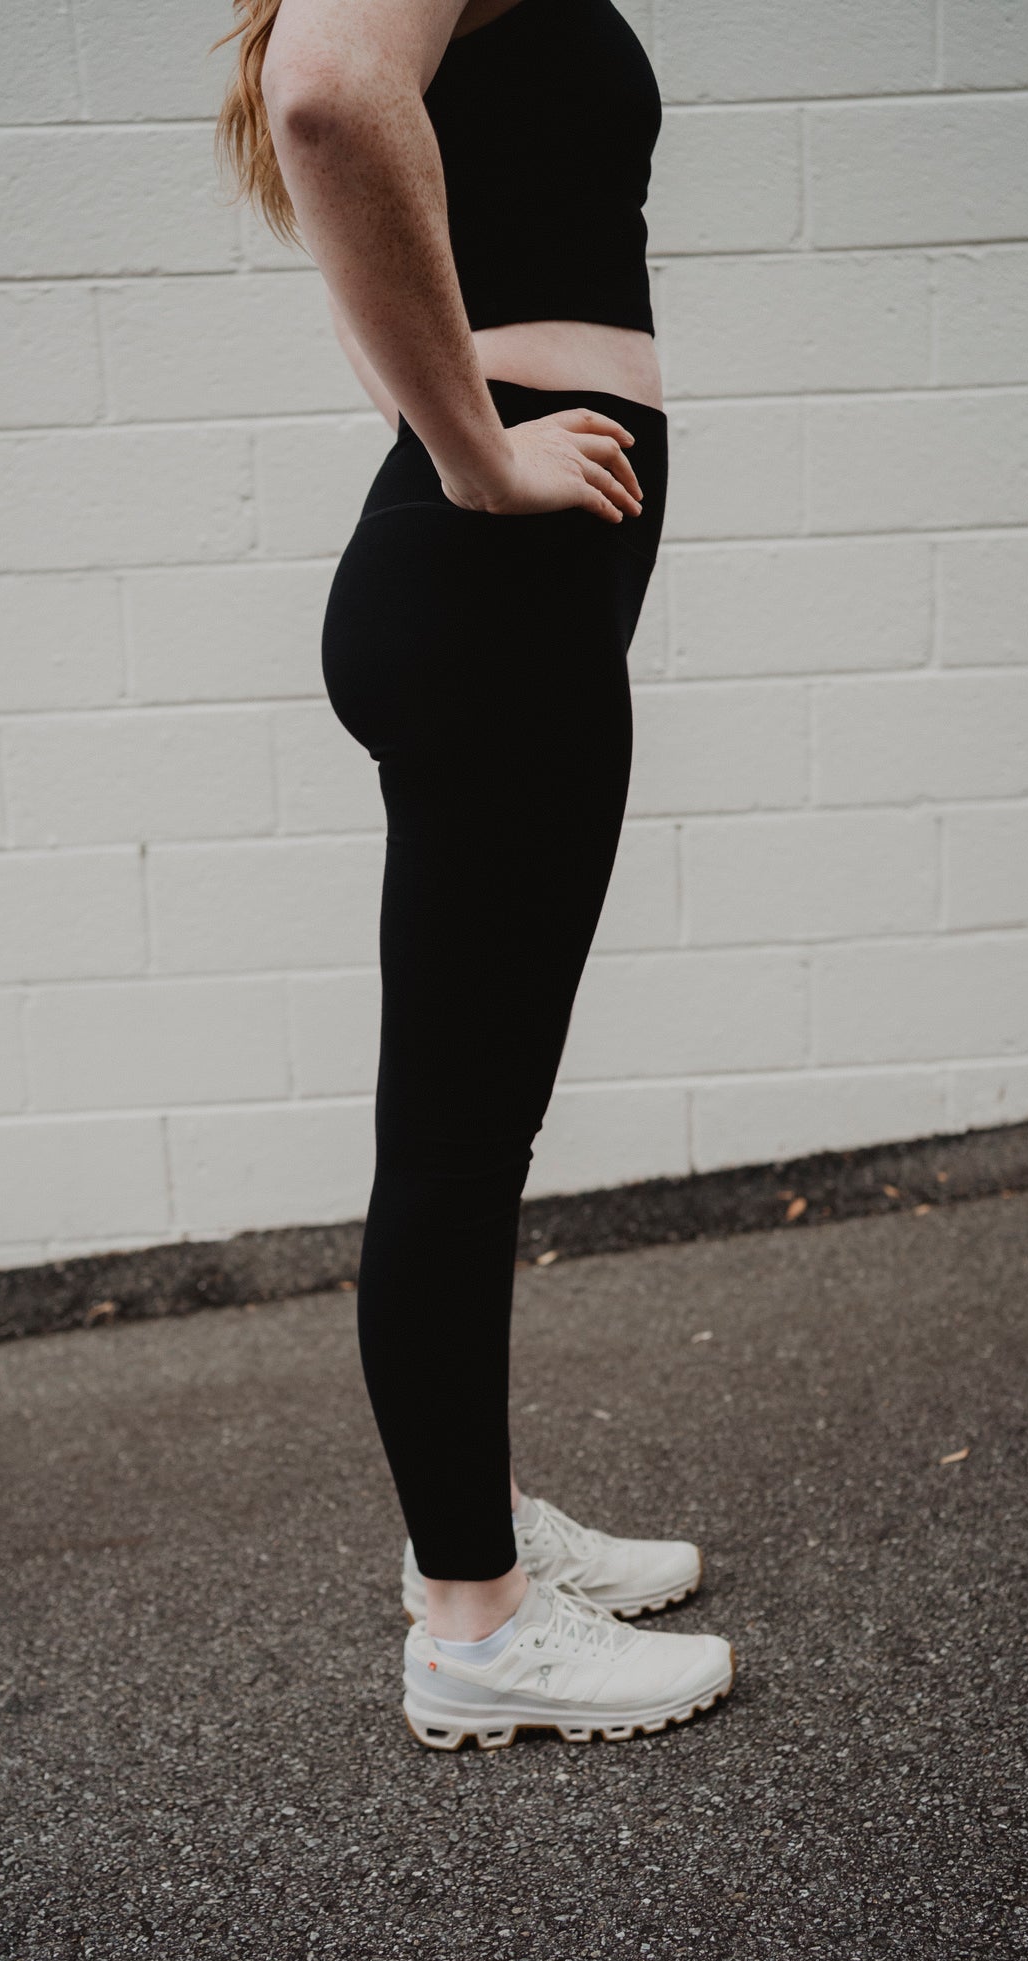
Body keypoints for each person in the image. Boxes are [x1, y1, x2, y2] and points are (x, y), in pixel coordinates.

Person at [214, 0, 736, 1749]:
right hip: (490, 594)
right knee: (457, 1136)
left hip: (490, 592)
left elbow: (362, 170)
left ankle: (476, 1522)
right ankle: (473, 1623)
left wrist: (461, 442)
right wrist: (481, 454)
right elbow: (327, 102)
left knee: (464, 1121)